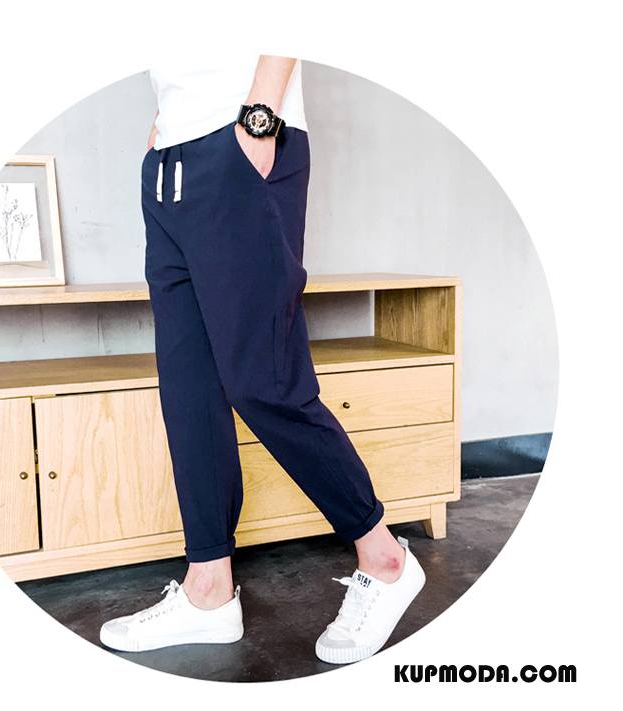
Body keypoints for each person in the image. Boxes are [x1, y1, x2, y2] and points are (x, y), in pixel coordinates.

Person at [100, 55, 425, 664]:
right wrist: (161, 132)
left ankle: (384, 559)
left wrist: (258, 121)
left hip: (240, 145)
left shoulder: (253, 131)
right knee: (190, 389)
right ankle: (208, 591)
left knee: (264, 381)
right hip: (168, 165)